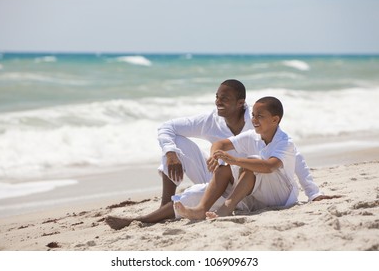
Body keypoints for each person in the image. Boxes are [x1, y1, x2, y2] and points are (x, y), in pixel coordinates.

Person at [105, 80, 333, 230]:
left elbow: (288, 160)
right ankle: (153, 214)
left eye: (224, 99)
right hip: (223, 178)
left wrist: (313, 192)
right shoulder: (213, 121)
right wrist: (176, 153)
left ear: (240, 103)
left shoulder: (262, 125)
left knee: (244, 166)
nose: (217, 102)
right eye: (216, 97)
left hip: (258, 186)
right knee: (177, 154)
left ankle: (203, 208)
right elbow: (170, 128)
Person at [175, 96, 298, 220]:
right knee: (224, 168)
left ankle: (226, 208)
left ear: (275, 120)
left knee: (251, 162)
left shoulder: (285, 142)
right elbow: (220, 144)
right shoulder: (252, 136)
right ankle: (201, 209)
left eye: (259, 116)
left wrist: (234, 160)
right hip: (258, 199)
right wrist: (215, 156)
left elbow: (269, 166)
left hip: (281, 196)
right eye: (253, 115)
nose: (254, 120)